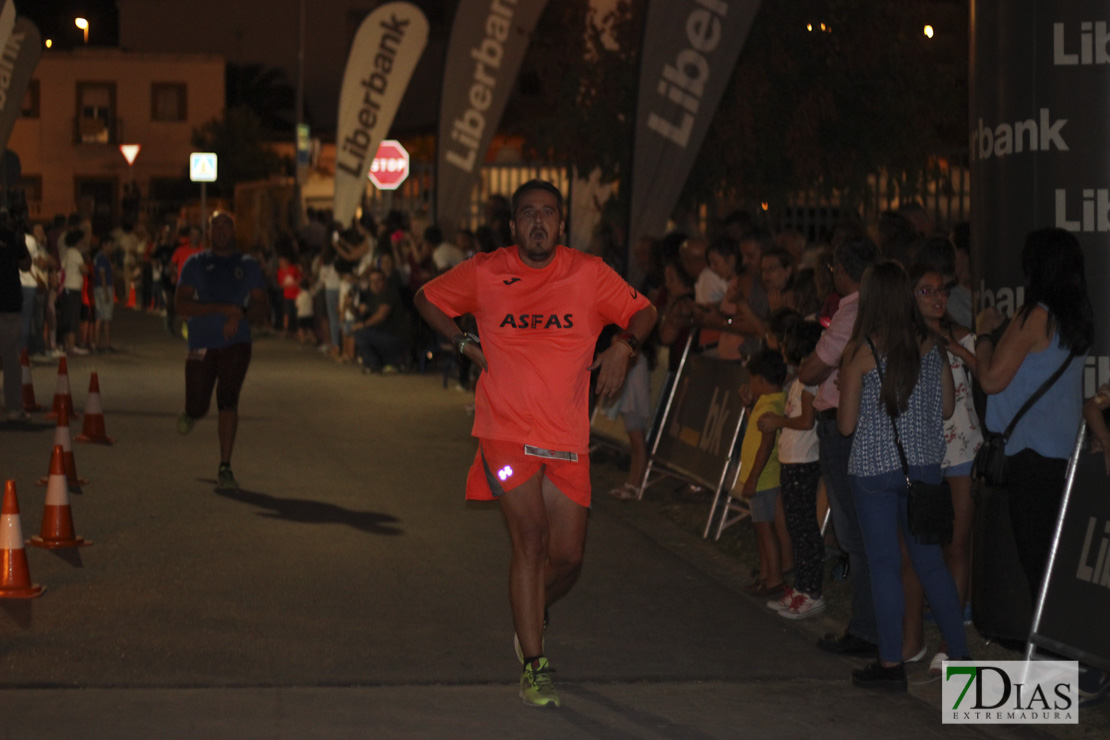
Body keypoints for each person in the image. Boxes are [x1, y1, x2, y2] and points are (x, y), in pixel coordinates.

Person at [414, 179, 656, 708]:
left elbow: (645, 312)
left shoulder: (589, 274)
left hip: (565, 436)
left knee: (568, 558)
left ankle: (529, 614)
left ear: (561, 224)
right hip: (504, 434)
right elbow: (426, 298)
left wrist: (624, 345)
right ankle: (535, 662)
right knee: (531, 539)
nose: (539, 222)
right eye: (528, 213)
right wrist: (461, 341)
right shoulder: (485, 271)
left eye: (548, 213)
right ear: (513, 224)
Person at [974, 228, 1105, 703]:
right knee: (1055, 564)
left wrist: (986, 332)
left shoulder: (1035, 317)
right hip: (1060, 455)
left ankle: (1059, 676)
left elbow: (990, 379)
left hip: (1029, 456)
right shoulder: (1077, 320)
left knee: (1039, 568)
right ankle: (1067, 668)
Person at [837, 260, 969, 691]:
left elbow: (845, 425)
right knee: (931, 565)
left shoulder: (862, 353)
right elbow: (948, 409)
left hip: (874, 471)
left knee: (885, 567)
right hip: (925, 471)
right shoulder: (933, 345)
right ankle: (963, 661)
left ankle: (891, 665)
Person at [798, 236, 880, 656]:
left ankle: (867, 630)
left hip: (844, 428)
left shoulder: (851, 310)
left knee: (856, 533)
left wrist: (801, 366)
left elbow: (814, 368)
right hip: (869, 426)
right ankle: (871, 625)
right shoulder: (881, 306)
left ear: (841, 270)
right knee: (867, 532)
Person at [903, 259, 982, 672]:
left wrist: (957, 349)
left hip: (963, 448)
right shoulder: (903, 340)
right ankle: (911, 639)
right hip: (922, 451)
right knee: (916, 548)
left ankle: (952, 643)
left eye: (941, 290)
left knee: (956, 544)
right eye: (926, 291)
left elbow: (988, 379)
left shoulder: (962, 336)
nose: (937, 298)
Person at [174, 212, 269, 491]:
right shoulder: (196, 263)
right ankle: (190, 412)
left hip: (236, 343)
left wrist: (241, 313)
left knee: (228, 398)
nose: (222, 231)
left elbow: (262, 306)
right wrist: (221, 308)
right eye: (216, 226)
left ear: (234, 231)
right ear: (208, 232)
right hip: (201, 341)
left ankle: (225, 465)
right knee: (198, 404)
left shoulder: (247, 264)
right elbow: (182, 304)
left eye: (227, 225)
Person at [759, 320, 826, 619]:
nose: (782, 347)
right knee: (796, 528)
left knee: (804, 529)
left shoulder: (810, 381)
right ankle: (801, 587)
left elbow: (806, 422)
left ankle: (812, 591)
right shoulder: (799, 379)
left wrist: (778, 422)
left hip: (803, 462)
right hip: (792, 461)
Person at [735, 349, 790, 597]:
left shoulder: (770, 405)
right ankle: (766, 575)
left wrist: (753, 478)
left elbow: (766, 445)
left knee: (765, 530)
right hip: (766, 478)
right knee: (762, 528)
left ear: (759, 380)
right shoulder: (775, 401)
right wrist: (749, 406)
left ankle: (774, 578)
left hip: (764, 479)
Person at [1, 214, 32, 421]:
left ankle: (13, 405)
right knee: (10, 356)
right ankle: (13, 406)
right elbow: (26, 265)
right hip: (9, 302)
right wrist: (19, 239)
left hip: (9, 302)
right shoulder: (12, 237)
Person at [352, 268, 408, 374]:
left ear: (384, 281)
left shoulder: (388, 293)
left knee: (361, 333)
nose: (375, 284)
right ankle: (383, 362)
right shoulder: (373, 297)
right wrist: (349, 305)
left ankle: (375, 365)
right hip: (384, 336)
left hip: (396, 338)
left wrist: (363, 325)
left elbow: (381, 315)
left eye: (379, 280)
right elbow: (359, 312)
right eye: (372, 281)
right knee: (358, 329)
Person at [92, 240, 115, 351]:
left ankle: (98, 343)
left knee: (100, 316)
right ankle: (106, 344)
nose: (111, 248)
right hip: (103, 288)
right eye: (110, 245)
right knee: (106, 317)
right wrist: (106, 292)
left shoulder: (100, 257)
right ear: (104, 245)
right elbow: (102, 275)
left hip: (99, 288)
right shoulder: (102, 258)